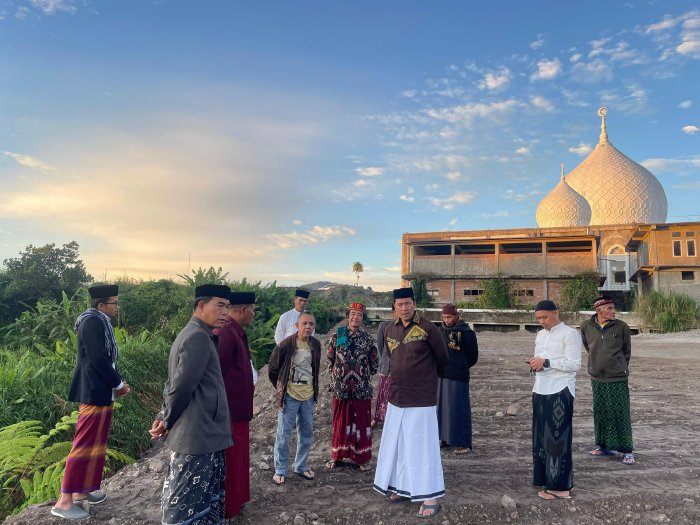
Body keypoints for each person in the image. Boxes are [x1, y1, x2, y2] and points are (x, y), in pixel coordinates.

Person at [149, 284, 232, 525]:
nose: (225, 312)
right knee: (185, 507)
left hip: (202, 433)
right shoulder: (197, 337)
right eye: (220, 305)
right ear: (201, 305)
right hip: (198, 436)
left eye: (227, 307)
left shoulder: (196, 333)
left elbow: (172, 382)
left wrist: (163, 413)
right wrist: (166, 420)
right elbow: (182, 386)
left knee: (200, 503)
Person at [51, 285, 130, 521]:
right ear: (101, 305)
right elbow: (97, 359)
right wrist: (118, 384)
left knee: (96, 443)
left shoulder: (101, 322)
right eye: (114, 303)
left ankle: (82, 490)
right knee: (84, 443)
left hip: (101, 391)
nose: (117, 307)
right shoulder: (92, 322)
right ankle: (64, 502)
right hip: (93, 390)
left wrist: (116, 384)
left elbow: (104, 359)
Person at [373, 287, 449, 519]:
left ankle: (430, 496)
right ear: (394, 307)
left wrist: (424, 380)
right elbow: (387, 355)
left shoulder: (428, 328)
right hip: (396, 397)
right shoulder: (389, 329)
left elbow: (443, 359)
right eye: (399, 304)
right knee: (400, 444)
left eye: (407, 303)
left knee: (423, 446)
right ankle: (402, 487)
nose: (404, 308)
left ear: (414, 304)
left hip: (421, 399)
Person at [527, 300, 582, 501]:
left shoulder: (570, 334)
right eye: (539, 318)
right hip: (540, 388)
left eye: (545, 317)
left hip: (560, 389)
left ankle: (560, 487)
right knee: (541, 438)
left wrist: (547, 362)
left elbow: (575, 364)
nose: (542, 321)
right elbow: (540, 358)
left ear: (556, 313)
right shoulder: (540, 335)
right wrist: (535, 363)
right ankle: (544, 479)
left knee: (557, 439)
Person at [214, 291, 258, 521]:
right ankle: (228, 506)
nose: (254, 314)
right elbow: (216, 373)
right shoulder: (227, 332)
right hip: (229, 412)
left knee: (239, 460)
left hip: (239, 411)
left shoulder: (235, 331)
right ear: (243, 310)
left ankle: (236, 502)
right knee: (231, 461)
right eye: (253, 309)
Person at [580, 295, 635, 465]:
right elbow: (588, 347)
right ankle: (604, 447)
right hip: (597, 377)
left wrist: (619, 367)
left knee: (620, 412)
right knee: (601, 411)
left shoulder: (622, 327)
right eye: (609, 308)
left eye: (613, 308)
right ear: (599, 310)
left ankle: (626, 450)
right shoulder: (586, 326)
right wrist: (596, 364)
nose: (613, 311)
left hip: (617, 377)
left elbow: (626, 351)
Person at [268, 311, 321, 485]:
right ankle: (280, 469)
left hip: (308, 396)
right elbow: (273, 369)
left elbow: (315, 369)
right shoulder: (285, 345)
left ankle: (301, 465)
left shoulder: (316, 345)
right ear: (297, 326)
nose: (307, 327)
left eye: (311, 324)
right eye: (304, 323)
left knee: (306, 432)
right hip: (289, 396)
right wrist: (281, 388)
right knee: (283, 434)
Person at [326, 302, 379, 471]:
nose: (355, 317)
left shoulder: (367, 339)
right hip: (341, 388)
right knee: (340, 422)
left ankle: (361, 458)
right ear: (348, 316)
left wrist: (360, 376)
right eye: (353, 314)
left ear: (362, 318)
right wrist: (338, 374)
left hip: (361, 389)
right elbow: (330, 358)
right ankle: (337, 456)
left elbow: (374, 363)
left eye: (359, 315)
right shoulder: (338, 335)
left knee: (361, 423)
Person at [438, 304, 478, 455]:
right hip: (442, 376)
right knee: (443, 409)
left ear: (456, 316)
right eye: (444, 317)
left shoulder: (467, 333)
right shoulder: (440, 331)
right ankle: (445, 439)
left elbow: (473, 357)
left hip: (459, 377)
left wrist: (459, 366)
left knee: (458, 409)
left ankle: (463, 443)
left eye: (449, 317)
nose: (447, 320)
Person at [372, 305, 395, 427]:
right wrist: (386, 360)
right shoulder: (384, 326)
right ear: (393, 311)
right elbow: (380, 347)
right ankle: (378, 419)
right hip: (387, 367)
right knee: (382, 394)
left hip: (401, 370)